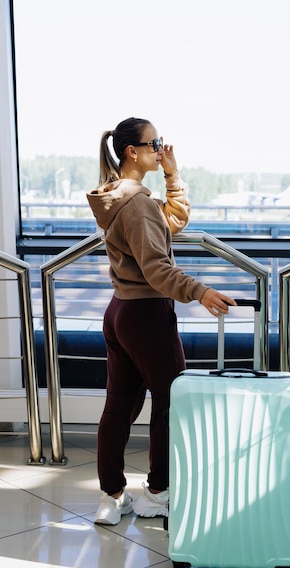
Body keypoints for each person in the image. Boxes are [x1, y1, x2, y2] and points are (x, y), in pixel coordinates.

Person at [86, 117, 236, 525]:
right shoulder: (136, 203)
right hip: (147, 313)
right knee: (171, 404)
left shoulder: (121, 197)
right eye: (155, 144)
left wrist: (173, 175)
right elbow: (156, 266)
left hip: (119, 311)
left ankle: (111, 497)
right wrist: (199, 291)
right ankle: (156, 493)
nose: (162, 148)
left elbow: (169, 223)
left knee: (118, 407)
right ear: (132, 151)